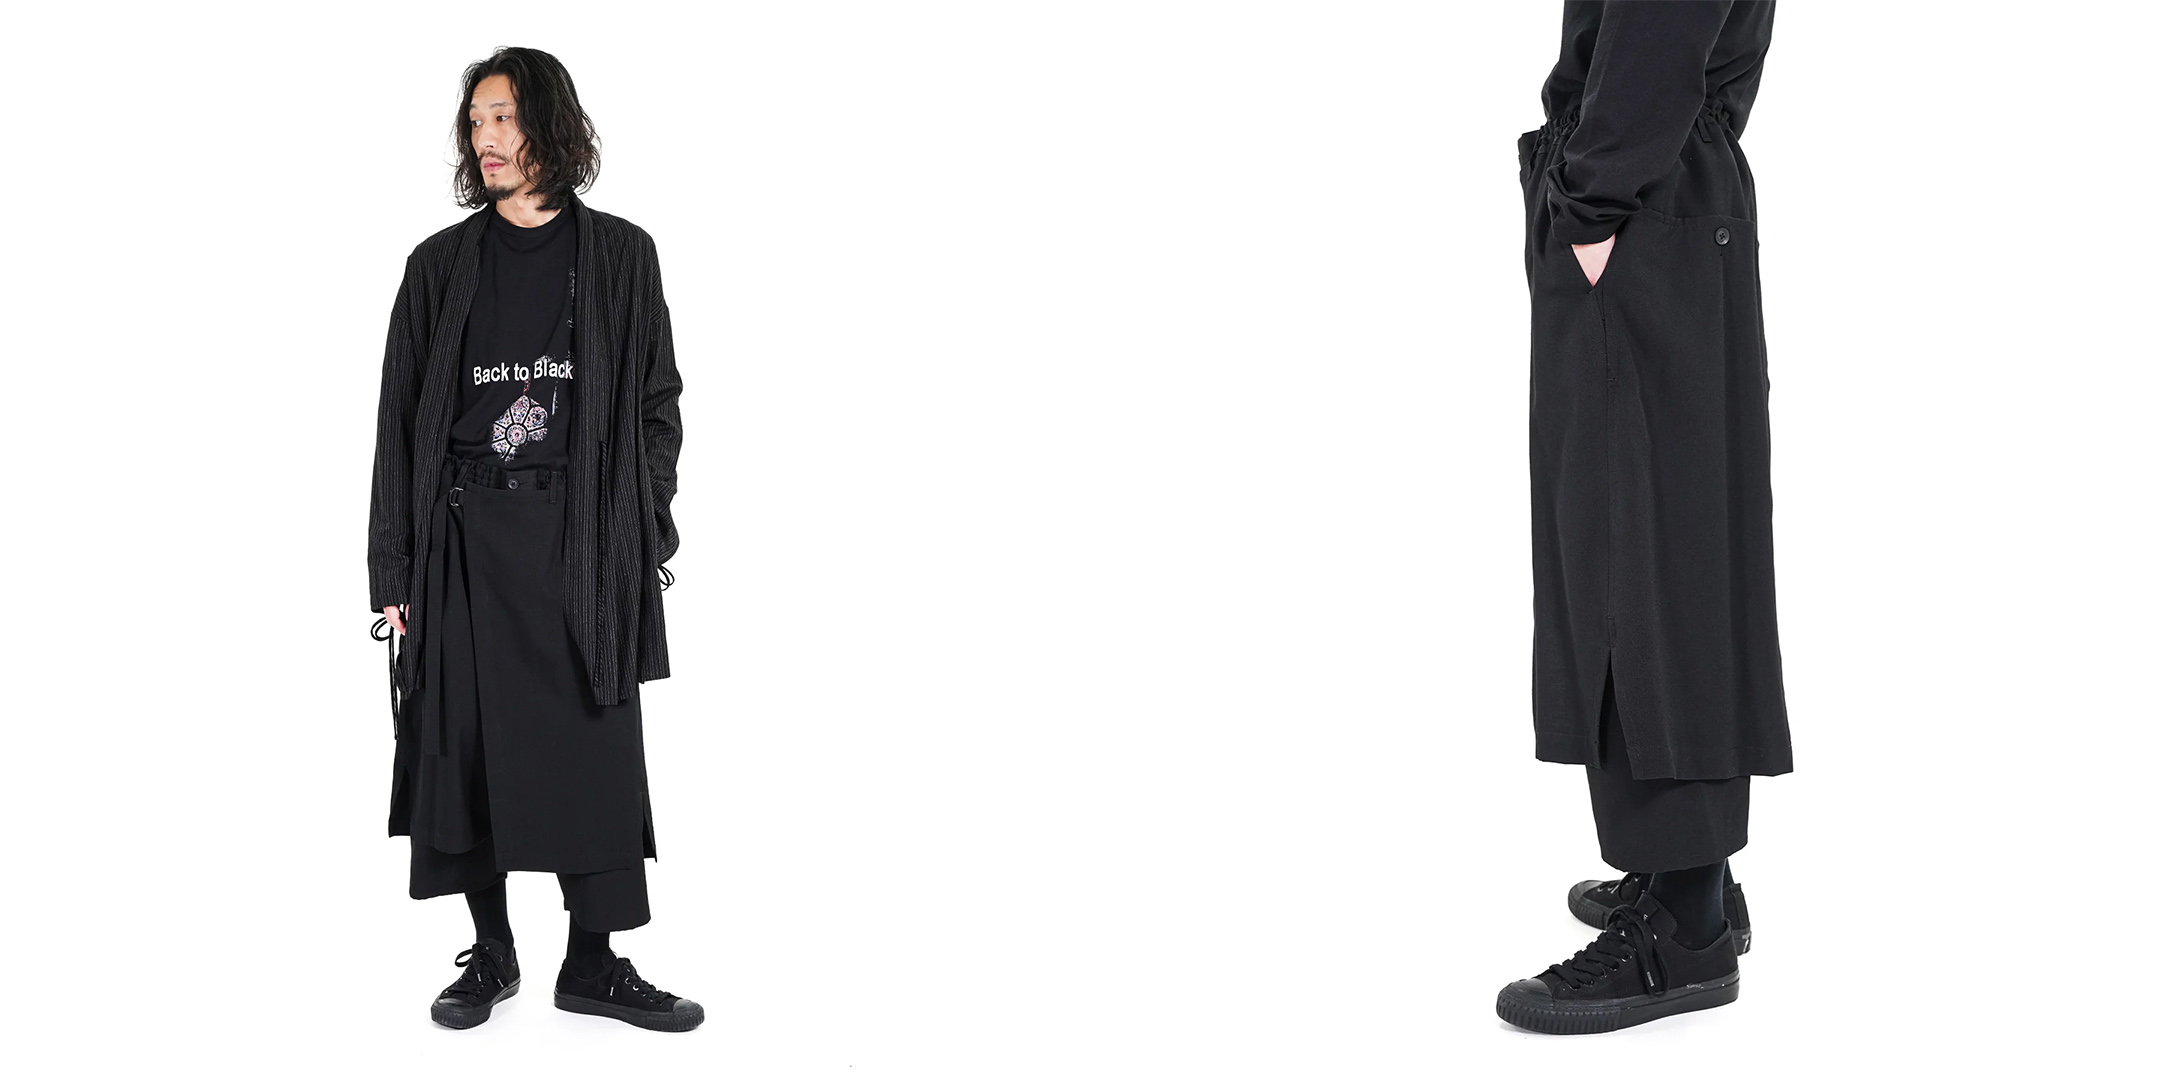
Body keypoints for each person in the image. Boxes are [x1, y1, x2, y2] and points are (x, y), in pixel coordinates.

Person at [366, 46, 699, 1032]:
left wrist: (640, 521)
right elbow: (397, 427)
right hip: (464, 542)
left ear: (550, 123)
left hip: (582, 540)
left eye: (503, 117)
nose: (487, 138)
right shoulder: (437, 267)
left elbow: (658, 406)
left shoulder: (624, 256)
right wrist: (395, 569)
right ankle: (494, 953)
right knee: (463, 750)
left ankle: (592, 964)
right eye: (476, 122)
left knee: (594, 749)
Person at [1500, 1, 1793, 1034]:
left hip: (1635, 200)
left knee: (1638, 552)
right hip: (1661, 188)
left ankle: (1686, 925)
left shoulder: (1614, 200)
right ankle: (1687, 870)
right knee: (1667, 539)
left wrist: (1590, 203)